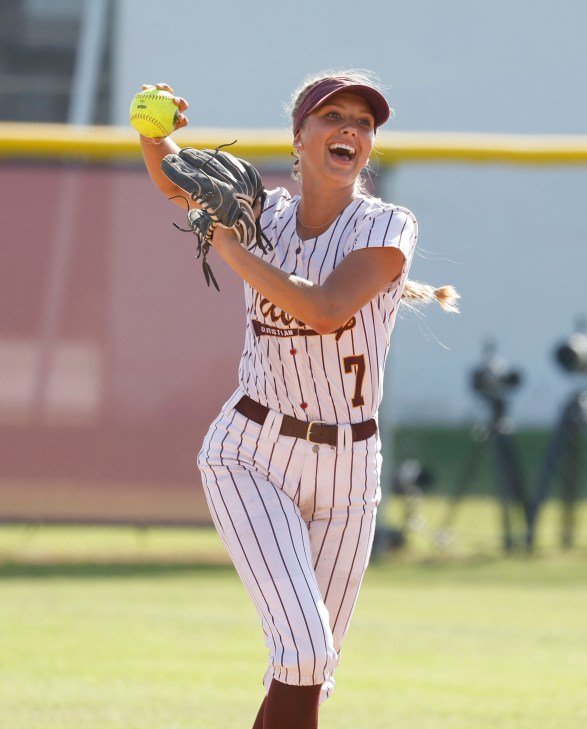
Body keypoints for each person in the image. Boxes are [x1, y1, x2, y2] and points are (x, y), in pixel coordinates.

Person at [138, 70, 458, 729]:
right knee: (305, 649)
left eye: (364, 123)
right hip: (252, 452)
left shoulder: (388, 223)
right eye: (333, 116)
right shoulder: (264, 211)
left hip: (349, 470)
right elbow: (178, 181)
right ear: (300, 136)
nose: (350, 129)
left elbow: (325, 308)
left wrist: (230, 248)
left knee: (309, 671)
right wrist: (153, 136)